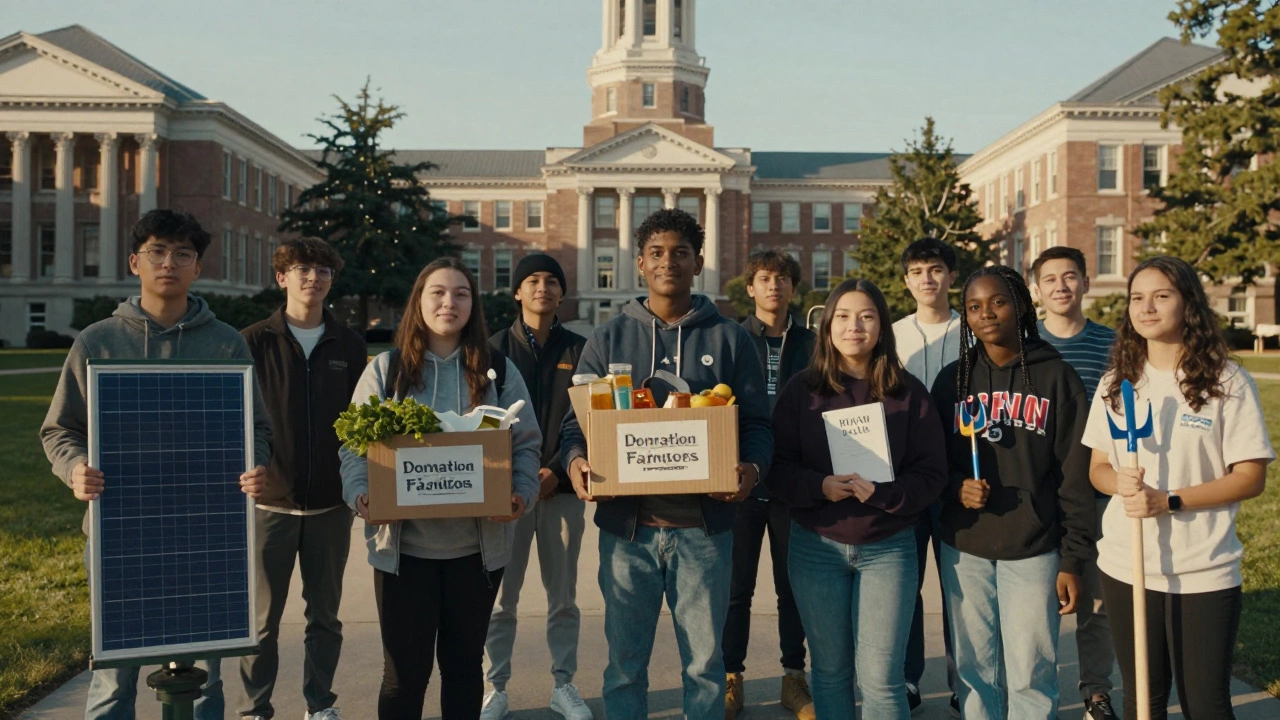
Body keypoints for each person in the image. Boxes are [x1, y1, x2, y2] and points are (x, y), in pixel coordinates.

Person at [40, 209, 272, 720]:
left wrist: (254, 463)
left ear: (197, 268)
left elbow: (257, 428)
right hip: (119, 533)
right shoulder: (97, 342)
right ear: (135, 262)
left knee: (205, 678)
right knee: (113, 675)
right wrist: (74, 468)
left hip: (207, 533)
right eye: (158, 252)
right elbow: (58, 430)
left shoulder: (225, 343)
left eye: (183, 254)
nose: (170, 263)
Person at [560, 208, 774, 720]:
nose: (668, 262)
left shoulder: (730, 339)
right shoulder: (607, 339)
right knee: (624, 667)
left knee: (704, 666)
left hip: (704, 531)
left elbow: (759, 426)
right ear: (639, 264)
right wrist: (576, 465)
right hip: (626, 532)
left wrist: (750, 470)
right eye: (656, 252)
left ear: (698, 261)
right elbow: (576, 427)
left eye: (680, 252)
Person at [338, 257, 542, 720]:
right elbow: (352, 446)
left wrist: (520, 494)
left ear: (473, 305)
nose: (449, 302)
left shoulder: (498, 371)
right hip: (403, 553)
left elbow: (526, 444)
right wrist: (361, 495)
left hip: (477, 553)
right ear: (419, 301)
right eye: (438, 292)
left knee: (465, 670)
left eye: (461, 293)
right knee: (403, 677)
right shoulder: (386, 371)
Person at [1083, 256, 1274, 720]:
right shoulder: (1118, 383)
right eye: (1137, 298)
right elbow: (1098, 469)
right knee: (1142, 700)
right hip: (1128, 563)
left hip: (1204, 566)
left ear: (1188, 303)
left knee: (1205, 704)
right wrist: (1119, 483)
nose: (1146, 307)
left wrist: (1168, 501)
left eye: (1161, 295)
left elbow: (1250, 476)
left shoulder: (1226, 381)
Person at [768, 278, 948, 720]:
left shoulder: (908, 393)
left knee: (882, 679)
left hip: (887, 547)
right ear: (828, 325)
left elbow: (932, 474)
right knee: (829, 674)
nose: (855, 327)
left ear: (882, 327)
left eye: (867, 316)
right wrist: (820, 486)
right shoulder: (801, 391)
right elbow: (777, 469)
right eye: (844, 316)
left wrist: (886, 494)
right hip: (817, 547)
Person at [931, 265, 1094, 720]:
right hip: (966, 548)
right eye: (974, 307)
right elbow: (929, 463)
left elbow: (1074, 477)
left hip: (1035, 547)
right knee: (974, 670)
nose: (986, 314)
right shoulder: (952, 382)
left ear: (1022, 305)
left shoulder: (1058, 378)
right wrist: (954, 487)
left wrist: (1073, 558)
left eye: (998, 302)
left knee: (1031, 673)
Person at [239, 237, 367, 720]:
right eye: (302, 269)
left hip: (331, 507)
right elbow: (234, 417)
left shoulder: (350, 344)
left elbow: (362, 420)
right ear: (282, 277)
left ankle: (320, 705)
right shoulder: (252, 340)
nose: (313, 277)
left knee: (325, 619)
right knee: (261, 623)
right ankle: (255, 709)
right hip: (270, 503)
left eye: (323, 271)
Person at [481, 254, 591, 720]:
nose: (542, 287)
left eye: (551, 281)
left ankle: (562, 684)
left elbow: (587, 422)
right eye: (532, 280)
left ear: (562, 293)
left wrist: (557, 472)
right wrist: (520, 476)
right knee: (500, 599)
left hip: (563, 490)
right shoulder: (491, 350)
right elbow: (482, 425)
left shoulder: (583, 349)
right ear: (518, 292)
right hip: (506, 494)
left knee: (563, 597)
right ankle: (495, 687)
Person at [723, 249, 816, 720]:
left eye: (782, 279)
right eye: (764, 278)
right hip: (741, 480)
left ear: (793, 288)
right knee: (736, 587)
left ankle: (793, 677)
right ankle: (730, 676)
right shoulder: (732, 338)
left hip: (793, 482)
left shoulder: (813, 342)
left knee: (791, 587)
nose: (773, 286)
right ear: (751, 287)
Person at [1030, 246, 1117, 720]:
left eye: (1070, 277)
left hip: (1099, 491)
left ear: (1085, 282)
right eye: (1050, 279)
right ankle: (1034, 695)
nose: (1061, 286)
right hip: (1042, 496)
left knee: (1096, 603)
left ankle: (1096, 692)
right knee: (1037, 604)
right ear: (1036, 289)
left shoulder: (1113, 344)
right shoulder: (1025, 349)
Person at [889, 237, 963, 714]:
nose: (927, 279)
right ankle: (909, 678)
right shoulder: (891, 334)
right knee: (906, 583)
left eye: (935, 269)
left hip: (962, 475)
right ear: (906, 281)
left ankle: (966, 679)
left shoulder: (972, 329)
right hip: (909, 476)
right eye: (917, 271)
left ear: (951, 275)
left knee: (961, 587)